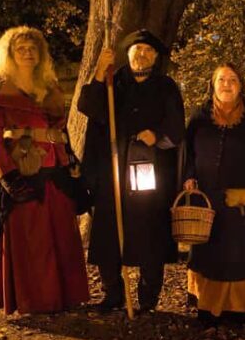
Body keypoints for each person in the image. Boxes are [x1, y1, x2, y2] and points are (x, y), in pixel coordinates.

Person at [0, 26, 89, 315]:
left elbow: (60, 130)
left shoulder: (49, 88)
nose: (28, 53)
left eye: (33, 49)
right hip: (23, 174)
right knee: (33, 242)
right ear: (10, 54)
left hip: (56, 173)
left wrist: (69, 164)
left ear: (40, 54)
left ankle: (65, 297)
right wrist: (8, 177)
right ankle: (37, 301)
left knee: (62, 237)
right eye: (21, 49)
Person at [78, 29, 185, 313]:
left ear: (156, 57)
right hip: (113, 172)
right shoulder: (113, 82)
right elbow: (86, 105)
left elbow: (177, 128)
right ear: (128, 54)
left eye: (148, 51)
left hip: (151, 176)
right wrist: (100, 71)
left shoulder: (166, 86)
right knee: (108, 234)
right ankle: (114, 293)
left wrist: (158, 134)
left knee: (151, 235)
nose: (142, 55)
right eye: (137, 49)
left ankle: (147, 299)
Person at [183, 63, 245, 325]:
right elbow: (187, 151)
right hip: (206, 194)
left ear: (240, 85)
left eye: (232, 79)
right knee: (206, 251)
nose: (227, 84)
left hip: (238, 197)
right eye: (221, 79)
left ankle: (234, 311)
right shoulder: (199, 116)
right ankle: (206, 308)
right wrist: (188, 177)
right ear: (213, 84)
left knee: (236, 252)